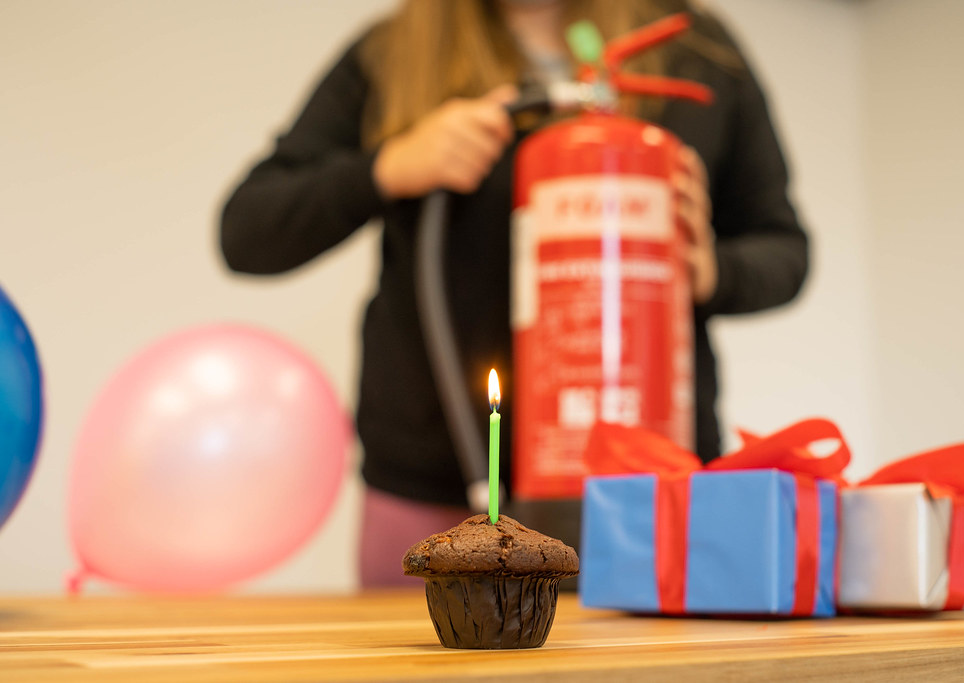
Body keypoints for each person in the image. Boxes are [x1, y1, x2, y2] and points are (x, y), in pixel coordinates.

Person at [219, 0, 809, 587]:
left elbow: (785, 250)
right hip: (436, 493)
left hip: (648, 487)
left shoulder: (696, 51)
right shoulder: (394, 54)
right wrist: (392, 165)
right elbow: (247, 231)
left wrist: (708, 270)